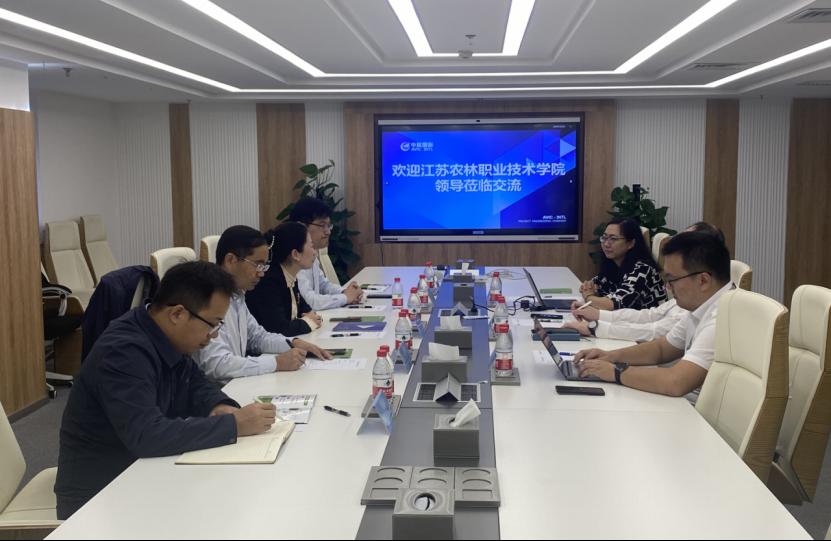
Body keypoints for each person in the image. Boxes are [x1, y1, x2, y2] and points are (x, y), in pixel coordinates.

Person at [55, 262, 277, 518]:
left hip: (143, 473)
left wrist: (218, 405)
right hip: (99, 499)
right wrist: (233, 425)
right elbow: (147, 435)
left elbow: (195, 382)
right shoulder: (123, 352)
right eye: (213, 324)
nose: (214, 335)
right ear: (177, 314)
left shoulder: (164, 334)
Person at [575, 232, 734, 397]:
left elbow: (676, 382)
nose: (668, 287)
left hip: (694, 409)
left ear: (703, 281)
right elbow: (662, 349)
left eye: (672, 280)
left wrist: (615, 372)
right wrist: (610, 356)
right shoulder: (702, 305)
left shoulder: (722, 317)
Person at [194, 225, 332, 385]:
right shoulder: (207, 299)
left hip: (239, 384)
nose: (261, 273)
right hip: (218, 391)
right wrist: (276, 363)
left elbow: (258, 337)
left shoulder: (238, 295)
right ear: (231, 260)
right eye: (257, 265)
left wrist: (293, 343)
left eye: (264, 266)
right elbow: (218, 365)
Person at [565, 222, 726, 342]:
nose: (668, 285)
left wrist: (595, 326)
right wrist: (598, 315)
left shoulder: (708, 313)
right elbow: (649, 316)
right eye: (605, 238)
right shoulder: (686, 300)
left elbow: (652, 331)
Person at [246, 222, 323, 337]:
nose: (314, 252)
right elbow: (279, 329)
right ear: (295, 254)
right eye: (311, 246)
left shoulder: (289, 277)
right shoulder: (268, 282)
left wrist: (308, 320)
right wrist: (308, 322)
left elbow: (308, 312)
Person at [577, 218, 666, 311]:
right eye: (604, 237)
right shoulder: (613, 263)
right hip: (622, 318)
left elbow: (615, 304)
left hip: (649, 320)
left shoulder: (643, 270)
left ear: (630, 243)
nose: (606, 244)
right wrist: (589, 288)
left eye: (613, 239)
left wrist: (588, 297)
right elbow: (593, 285)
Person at [289, 197, 362, 310]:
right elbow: (309, 302)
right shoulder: (293, 257)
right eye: (322, 225)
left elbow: (323, 285)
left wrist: (345, 292)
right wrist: (345, 297)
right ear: (302, 226)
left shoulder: (312, 251)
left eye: (329, 225)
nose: (328, 232)